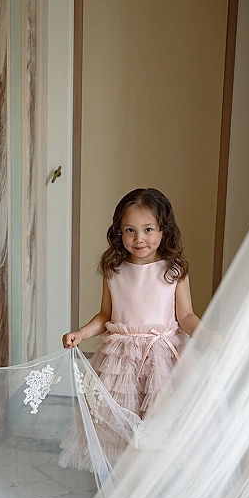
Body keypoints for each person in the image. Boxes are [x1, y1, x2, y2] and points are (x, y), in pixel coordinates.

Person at [60, 187, 200, 468]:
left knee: (158, 416)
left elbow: (185, 316)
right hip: (120, 359)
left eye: (148, 229)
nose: (139, 239)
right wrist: (80, 333)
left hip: (162, 357)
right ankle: (125, 475)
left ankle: (152, 476)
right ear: (119, 232)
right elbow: (105, 315)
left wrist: (205, 333)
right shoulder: (115, 270)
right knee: (119, 416)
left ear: (164, 230)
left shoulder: (174, 270)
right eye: (130, 230)